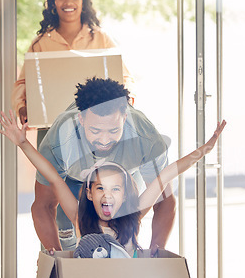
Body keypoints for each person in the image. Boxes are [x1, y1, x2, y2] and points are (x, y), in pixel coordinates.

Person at [0, 109, 226, 255]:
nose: (107, 195)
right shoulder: (80, 219)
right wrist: (23, 144)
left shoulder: (133, 215)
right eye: (100, 189)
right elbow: (54, 177)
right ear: (89, 193)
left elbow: (165, 175)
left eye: (115, 189)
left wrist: (203, 150)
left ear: (125, 195)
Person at [24, 76, 177, 253]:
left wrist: (156, 252)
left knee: (123, 236)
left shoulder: (147, 140)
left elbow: (164, 202)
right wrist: (56, 258)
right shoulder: (59, 142)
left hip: (125, 176)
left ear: (125, 118)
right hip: (74, 179)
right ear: (81, 120)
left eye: (113, 131)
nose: (104, 141)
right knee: (68, 236)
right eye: (95, 131)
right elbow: (43, 205)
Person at [12, 0, 134, 126]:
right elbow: (23, 82)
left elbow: (125, 77)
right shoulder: (40, 43)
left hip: (95, 126)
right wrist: (21, 107)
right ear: (53, 3)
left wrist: (127, 102)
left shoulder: (100, 38)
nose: (68, 2)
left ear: (83, 2)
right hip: (51, 127)